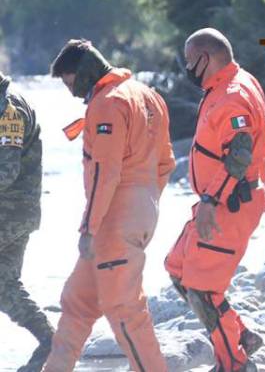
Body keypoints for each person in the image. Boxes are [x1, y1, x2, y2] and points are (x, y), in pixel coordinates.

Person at [45, 40, 173, 372]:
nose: (73, 93)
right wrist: (145, 206)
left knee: (124, 310)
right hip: (140, 212)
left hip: (113, 220)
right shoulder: (148, 96)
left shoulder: (107, 104)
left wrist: (89, 229)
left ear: (85, 72)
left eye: (71, 83)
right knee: (77, 301)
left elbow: (105, 172)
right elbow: (165, 163)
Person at [166, 29, 265, 372]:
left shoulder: (232, 96)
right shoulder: (230, 83)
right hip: (219, 199)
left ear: (204, 59)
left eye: (189, 60)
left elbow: (239, 155)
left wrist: (211, 202)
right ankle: (240, 336)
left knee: (202, 290)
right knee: (178, 268)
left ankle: (233, 363)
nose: (186, 68)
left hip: (229, 204)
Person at [0, 71, 54, 372]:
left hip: (9, 212)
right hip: (16, 212)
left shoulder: (8, 109)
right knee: (3, 285)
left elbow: (5, 172)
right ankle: (51, 342)